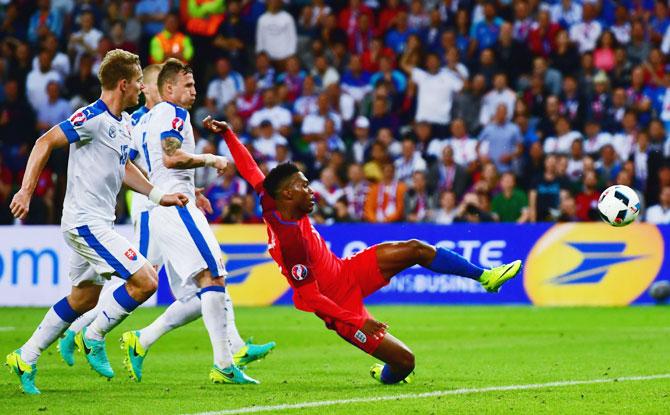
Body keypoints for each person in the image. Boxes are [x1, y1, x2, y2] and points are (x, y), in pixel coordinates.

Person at [203, 118, 522, 384]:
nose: (312, 191)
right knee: (405, 364)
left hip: (348, 270)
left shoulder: (271, 199)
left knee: (415, 249)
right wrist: (357, 322)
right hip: (339, 306)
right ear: (288, 194)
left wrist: (228, 133)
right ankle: (382, 370)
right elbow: (311, 299)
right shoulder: (291, 243)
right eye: (304, 186)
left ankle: (486, 276)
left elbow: (249, 168)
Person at [5, 50, 189, 395]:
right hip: (85, 222)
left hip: (98, 221)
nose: (140, 90)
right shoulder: (90, 117)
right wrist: (26, 191)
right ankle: (93, 336)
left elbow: (123, 167)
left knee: (85, 297)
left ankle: (25, 357)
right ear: (123, 84)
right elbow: (45, 142)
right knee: (146, 280)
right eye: (137, 83)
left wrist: (158, 195)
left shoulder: (123, 124)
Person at [123, 59, 273, 385]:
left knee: (205, 286)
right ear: (168, 88)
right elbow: (171, 157)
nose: (193, 90)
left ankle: (144, 339)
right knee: (213, 277)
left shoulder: (148, 118)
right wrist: (211, 158)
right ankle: (224, 363)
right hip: (176, 208)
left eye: (194, 84)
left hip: (170, 204)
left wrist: (192, 188)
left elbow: (135, 162)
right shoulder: (174, 114)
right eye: (187, 85)